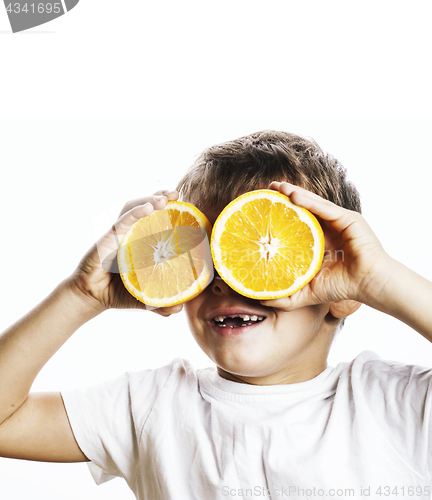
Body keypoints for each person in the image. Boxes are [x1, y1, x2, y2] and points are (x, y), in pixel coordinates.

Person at [1, 130, 431, 499]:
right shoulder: (150, 407)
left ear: (341, 287)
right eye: (203, 256)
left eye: (261, 254)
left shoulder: (397, 405)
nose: (223, 280)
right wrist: (81, 295)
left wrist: (377, 279)